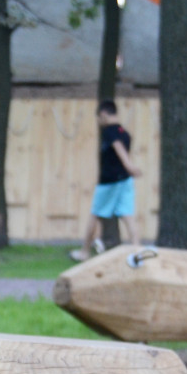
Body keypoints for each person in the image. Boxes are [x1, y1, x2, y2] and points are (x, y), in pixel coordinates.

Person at [71, 100, 142, 261]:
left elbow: (119, 150)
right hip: (125, 181)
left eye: (98, 118)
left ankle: (84, 252)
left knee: (95, 215)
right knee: (128, 216)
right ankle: (137, 250)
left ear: (103, 114)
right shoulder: (125, 132)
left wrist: (129, 165)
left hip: (110, 182)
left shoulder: (110, 132)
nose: (98, 121)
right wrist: (129, 169)